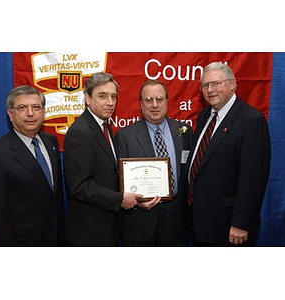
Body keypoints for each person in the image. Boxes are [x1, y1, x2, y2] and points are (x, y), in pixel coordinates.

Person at [187, 62, 271, 246]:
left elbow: (254, 178)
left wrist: (241, 223)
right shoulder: (204, 116)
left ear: (232, 84)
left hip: (230, 227)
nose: (210, 90)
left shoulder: (252, 121)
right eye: (205, 85)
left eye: (216, 84)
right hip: (201, 222)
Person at [63, 72, 141, 246]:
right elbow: (79, 187)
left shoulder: (104, 126)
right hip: (88, 233)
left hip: (105, 227)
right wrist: (120, 199)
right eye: (102, 96)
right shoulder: (80, 132)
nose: (110, 102)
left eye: (113, 96)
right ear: (87, 98)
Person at [115, 80, 192, 246]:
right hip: (140, 220)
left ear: (167, 101)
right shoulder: (124, 136)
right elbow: (118, 180)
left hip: (176, 220)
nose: (155, 105)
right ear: (141, 104)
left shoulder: (184, 131)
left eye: (159, 99)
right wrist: (137, 203)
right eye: (149, 100)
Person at [0, 85, 65, 246]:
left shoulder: (51, 142)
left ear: (43, 112)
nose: (30, 113)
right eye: (22, 108)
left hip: (56, 238)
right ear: (10, 114)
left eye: (36, 107)